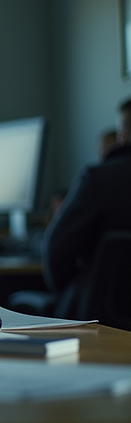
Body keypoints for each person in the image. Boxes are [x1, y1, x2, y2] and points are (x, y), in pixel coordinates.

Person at [43, 98, 131, 318]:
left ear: (123, 137)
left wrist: (73, 291)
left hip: (98, 324)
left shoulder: (99, 179)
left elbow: (56, 250)